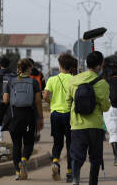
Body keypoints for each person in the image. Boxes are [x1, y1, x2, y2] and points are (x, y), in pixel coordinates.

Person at [66, 51, 110, 185]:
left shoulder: (73, 80)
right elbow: (105, 107)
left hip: (77, 125)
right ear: (99, 65)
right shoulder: (102, 84)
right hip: (95, 126)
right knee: (95, 158)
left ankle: (76, 180)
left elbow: (68, 102)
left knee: (77, 156)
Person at [2, 59, 44, 180]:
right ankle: (24, 160)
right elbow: (37, 102)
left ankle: (17, 172)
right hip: (28, 116)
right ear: (29, 69)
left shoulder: (10, 81)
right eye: (31, 68)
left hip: (14, 115)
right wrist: (40, 117)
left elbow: (5, 100)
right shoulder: (34, 82)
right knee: (29, 142)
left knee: (16, 144)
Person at [43, 53, 75, 182]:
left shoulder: (52, 79)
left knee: (57, 142)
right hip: (69, 114)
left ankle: (55, 162)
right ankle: (69, 172)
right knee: (70, 144)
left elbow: (45, 96)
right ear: (71, 66)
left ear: (60, 65)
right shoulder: (74, 80)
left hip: (55, 114)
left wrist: (52, 104)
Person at [0, 55, 15, 142]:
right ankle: (14, 139)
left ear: (0, 65)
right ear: (9, 64)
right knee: (12, 120)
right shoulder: (14, 75)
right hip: (12, 102)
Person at [28, 58, 45, 142]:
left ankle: (30, 135)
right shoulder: (40, 74)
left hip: (27, 99)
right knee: (36, 117)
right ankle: (36, 133)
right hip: (37, 98)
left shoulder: (25, 74)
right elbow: (44, 86)